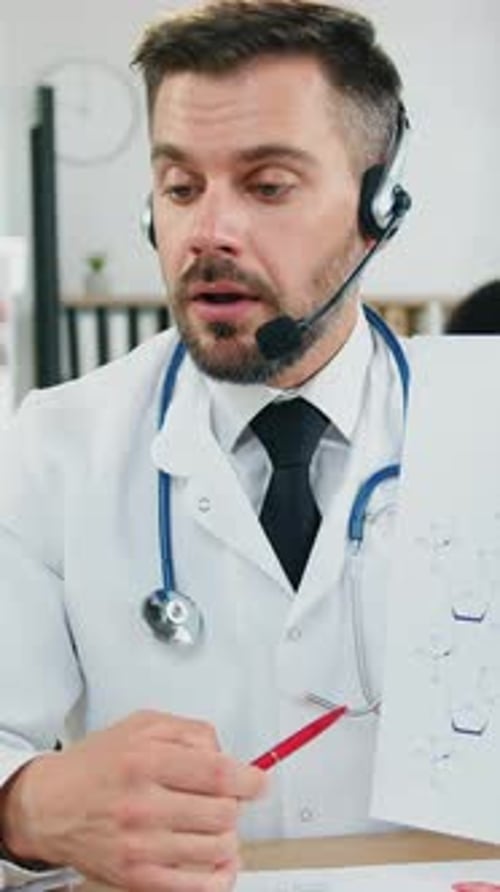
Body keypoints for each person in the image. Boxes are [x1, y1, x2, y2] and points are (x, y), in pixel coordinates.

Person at [0, 2, 413, 889]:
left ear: (378, 208)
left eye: (267, 186)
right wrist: (25, 807)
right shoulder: (52, 447)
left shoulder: (476, 435)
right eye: (181, 187)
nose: (206, 232)